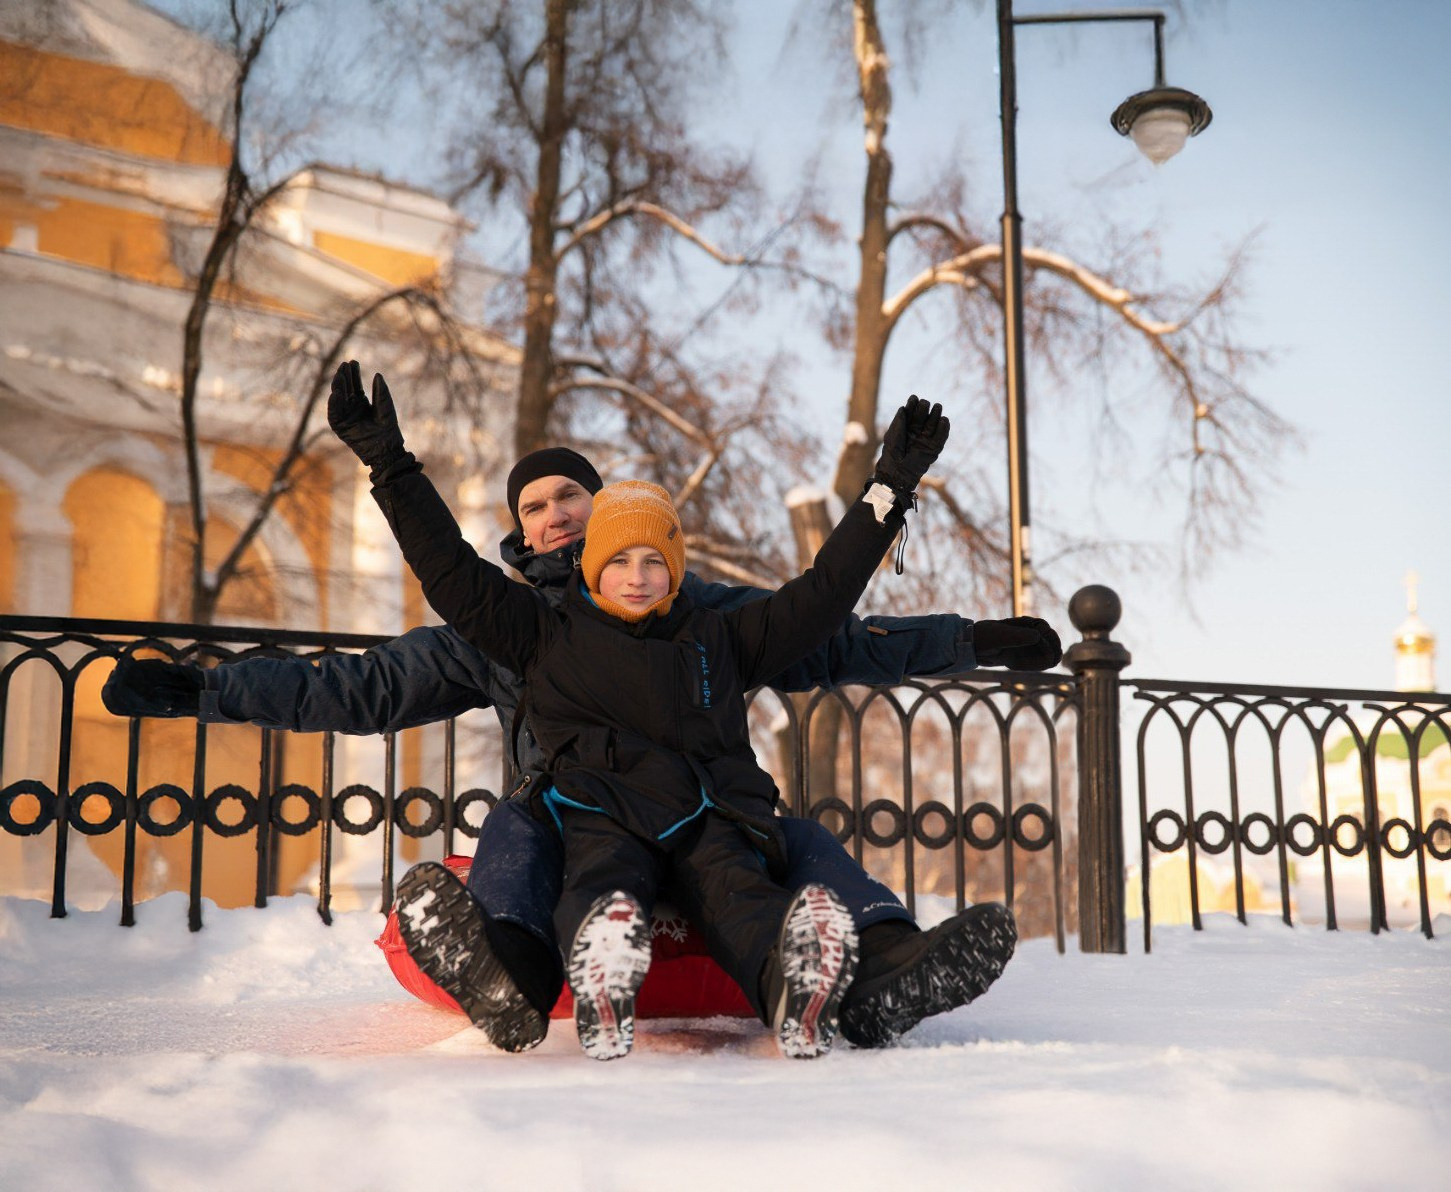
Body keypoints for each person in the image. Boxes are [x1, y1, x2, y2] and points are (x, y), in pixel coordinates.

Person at [103, 373, 1060, 1054]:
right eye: (534, 505)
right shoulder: (506, 628)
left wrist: (967, 640)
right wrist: (205, 687)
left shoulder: (698, 613)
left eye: (571, 495)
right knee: (519, 818)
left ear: (609, 512)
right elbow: (357, 689)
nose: (554, 513)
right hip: (583, 835)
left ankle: (891, 967)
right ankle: (508, 965)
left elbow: (833, 633)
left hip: (705, 821)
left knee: (791, 835)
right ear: (519, 531)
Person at [336, 364, 956, 1060]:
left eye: (652, 561)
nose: (636, 575)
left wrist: (889, 490)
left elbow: (822, 600)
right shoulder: (539, 632)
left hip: (707, 815)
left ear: (674, 567)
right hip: (595, 810)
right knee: (591, 874)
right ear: (591, 566)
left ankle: (803, 987)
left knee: (743, 889)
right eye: (618, 561)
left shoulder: (714, 629)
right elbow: (449, 573)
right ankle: (532, 972)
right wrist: (390, 467)